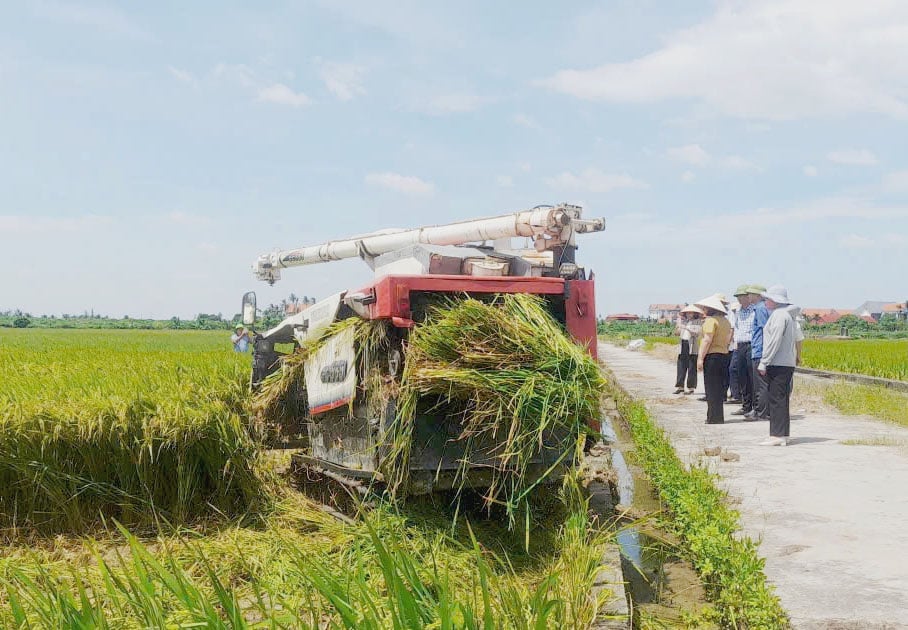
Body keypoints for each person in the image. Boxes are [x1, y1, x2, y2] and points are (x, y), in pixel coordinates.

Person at [757, 285, 798, 446]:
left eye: (767, 299)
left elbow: (774, 341)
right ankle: (783, 433)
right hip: (785, 362)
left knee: (776, 398)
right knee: (781, 398)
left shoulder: (779, 315)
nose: (765, 301)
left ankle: (777, 434)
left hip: (778, 363)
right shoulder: (785, 315)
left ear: (775, 300)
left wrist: (764, 361)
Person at [695, 295, 732, 424]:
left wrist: (700, 358)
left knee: (711, 388)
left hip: (712, 356)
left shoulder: (711, 321)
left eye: (705, 308)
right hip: (724, 355)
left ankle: (713, 417)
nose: (704, 310)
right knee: (719, 388)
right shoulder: (726, 321)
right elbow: (728, 339)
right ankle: (718, 416)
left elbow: (707, 340)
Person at [730, 285, 757, 417]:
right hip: (740, 345)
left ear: (748, 297)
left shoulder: (755, 310)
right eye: (738, 297)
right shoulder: (739, 311)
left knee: (752, 375)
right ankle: (746, 405)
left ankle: (755, 407)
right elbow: (737, 327)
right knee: (742, 376)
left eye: (741, 297)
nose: (739, 299)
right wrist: (735, 342)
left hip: (751, 344)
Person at [746, 285, 770, 421]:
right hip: (759, 349)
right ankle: (760, 410)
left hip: (759, 350)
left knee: (761, 384)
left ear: (757, 295)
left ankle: (761, 412)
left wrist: (764, 352)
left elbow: (764, 330)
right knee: (759, 384)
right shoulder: (761, 308)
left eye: (750, 294)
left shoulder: (760, 308)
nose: (748, 296)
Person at [674, 304, 704, 394]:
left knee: (691, 367)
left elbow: (697, 333)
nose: (688, 314)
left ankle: (691, 388)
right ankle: (680, 386)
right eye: (687, 313)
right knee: (681, 366)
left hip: (692, 347)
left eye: (690, 313)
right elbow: (677, 333)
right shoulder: (684, 321)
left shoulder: (698, 322)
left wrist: (687, 328)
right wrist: (678, 326)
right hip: (683, 344)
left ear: (694, 313)